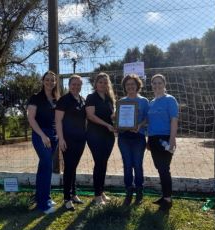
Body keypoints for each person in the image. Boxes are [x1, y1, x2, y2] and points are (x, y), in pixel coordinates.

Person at [27, 71, 60, 214]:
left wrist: (57, 134)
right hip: (41, 135)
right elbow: (31, 118)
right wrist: (42, 135)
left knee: (44, 167)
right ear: (42, 81)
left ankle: (43, 196)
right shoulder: (36, 97)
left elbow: (57, 119)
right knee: (47, 165)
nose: (50, 82)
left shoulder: (55, 98)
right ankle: (43, 205)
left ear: (55, 82)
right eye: (47, 80)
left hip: (53, 136)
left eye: (52, 80)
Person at [147, 74, 179, 211]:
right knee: (160, 168)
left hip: (165, 139)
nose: (157, 85)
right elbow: (150, 123)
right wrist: (149, 140)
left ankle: (167, 199)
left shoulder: (170, 100)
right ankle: (164, 195)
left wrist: (172, 140)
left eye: (159, 83)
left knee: (164, 169)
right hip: (153, 139)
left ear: (164, 84)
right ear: (152, 85)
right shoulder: (151, 102)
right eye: (154, 83)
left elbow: (174, 120)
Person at [55, 75, 86, 211]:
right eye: (73, 84)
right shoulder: (64, 100)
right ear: (69, 85)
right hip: (67, 139)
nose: (76, 87)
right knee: (68, 167)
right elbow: (58, 121)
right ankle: (67, 198)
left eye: (78, 84)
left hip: (81, 139)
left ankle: (74, 194)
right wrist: (61, 139)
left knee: (73, 167)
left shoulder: (82, 100)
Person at [117, 74, 149, 205]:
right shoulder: (121, 101)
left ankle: (139, 191)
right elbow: (118, 119)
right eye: (128, 84)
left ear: (137, 85)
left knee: (137, 164)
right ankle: (129, 191)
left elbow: (147, 118)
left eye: (133, 84)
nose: (130, 86)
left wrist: (139, 125)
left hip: (139, 136)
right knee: (127, 164)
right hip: (124, 137)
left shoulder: (144, 101)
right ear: (125, 86)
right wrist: (116, 121)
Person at [86, 72, 116, 205]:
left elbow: (111, 116)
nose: (103, 84)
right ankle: (97, 196)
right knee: (99, 163)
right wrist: (107, 125)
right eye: (100, 82)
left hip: (109, 136)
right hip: (95, 135)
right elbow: (91, 116)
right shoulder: (91, 97)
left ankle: (101, 191)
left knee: (103, 163)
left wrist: (117, 119)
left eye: (105, 82)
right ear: (96, 84)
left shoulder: (109, 99)